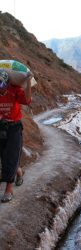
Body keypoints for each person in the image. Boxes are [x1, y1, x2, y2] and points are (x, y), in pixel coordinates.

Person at [0, 69, 33, 202]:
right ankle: (18, 171)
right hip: (0, 126)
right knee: (3, 156)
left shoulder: (15, 90)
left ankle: (9, 189)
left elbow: (27, 100)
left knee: (11, 156)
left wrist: (29, 82)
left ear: (7, 83)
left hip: (13, 128)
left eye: (2, 85)